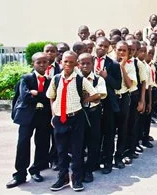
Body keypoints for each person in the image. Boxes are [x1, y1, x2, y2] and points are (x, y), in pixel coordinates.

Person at [46, 51, 99, 192]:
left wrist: (84, 100)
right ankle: (62, 178)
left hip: (76, 118)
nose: (68, 64)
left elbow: (96, 94)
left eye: (71, 62)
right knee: (61, 150)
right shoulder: (56, 79)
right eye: (65, 61)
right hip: (59, 118)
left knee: (77, 150)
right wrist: (53, 114)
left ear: (76, 63)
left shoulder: (81, 80)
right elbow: (51, 96)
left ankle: (76, 178)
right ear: (61, 62)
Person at [7, 53, 52, 189]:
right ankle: (20, 174)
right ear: (33, 64)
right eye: (39, 62)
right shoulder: (26, 78)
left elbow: (50, 96)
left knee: (42, 143)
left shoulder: (50, 80)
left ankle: (36, 170)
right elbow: (25, 97)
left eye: (45, 62)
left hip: (44, 116)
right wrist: (40, 97)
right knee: (23, 144)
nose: (42, 65)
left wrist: (37, 93)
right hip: (27, 117)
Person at [94, 37, 122, 175]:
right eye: (100, 45)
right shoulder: (88, 61)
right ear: (95, 45)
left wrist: (106, 76)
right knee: (94, 134)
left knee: (109, 134)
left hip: (108, 104)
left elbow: (117, 85)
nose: (102, 48)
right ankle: (94, 161)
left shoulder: (114, 64)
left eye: (106, 46)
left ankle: (107, 162)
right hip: (92, 103)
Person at [77, 53, 107, 183]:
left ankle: (89, 170)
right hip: (78, 114)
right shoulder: (75, 79)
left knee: (93, 141)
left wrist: (87, 98)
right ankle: (79, 170)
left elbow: (99, 95)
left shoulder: (98, 79)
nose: (85, 66)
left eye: (88, 63)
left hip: (93, 112)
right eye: (82, 63)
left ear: (93, 64)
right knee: (78, 142)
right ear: (78, 64)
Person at [113, 41, 137, 169]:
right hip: (112, 99)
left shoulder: (130, 65)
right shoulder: (110, 63)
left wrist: (122, 67)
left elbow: (129, 85)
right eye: (119, 50)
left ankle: (119, 156)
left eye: (124, 51)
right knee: (110, 130)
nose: (121, 53)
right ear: (114, 50)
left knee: (123, 128)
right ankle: (106, 157)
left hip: (124, 98)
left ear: (128, 53)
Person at [125, 40, 147, 161]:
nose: (130, 52)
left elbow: (143, 82)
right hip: (123, 97)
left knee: (132, 125)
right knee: (123, 125)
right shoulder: (118, 61)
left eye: (133, 50)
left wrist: (142, 101)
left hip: (134, 96)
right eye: (128, 49)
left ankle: (131, 150)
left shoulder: (138, 64)